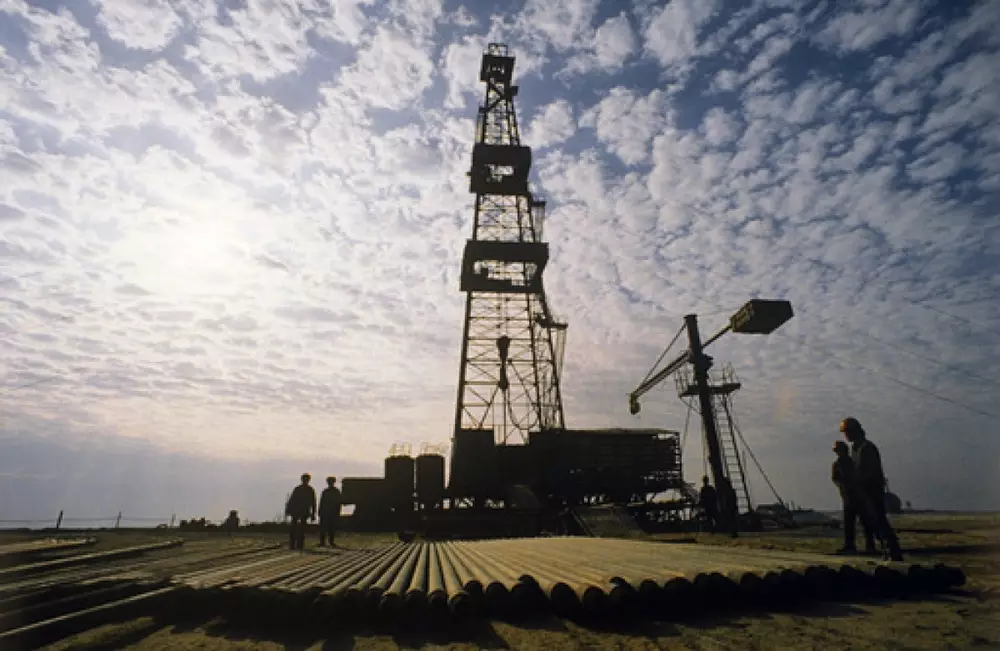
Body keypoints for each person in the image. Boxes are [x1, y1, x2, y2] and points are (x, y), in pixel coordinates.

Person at [841, 418, 904, 561]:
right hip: (862, 493)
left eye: (847, 432)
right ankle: (888, 551)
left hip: (871, 492)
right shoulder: (856, 449)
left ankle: (893, 552)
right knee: (873, 523)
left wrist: (857, 482)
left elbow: (867, 472)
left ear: (854, 431)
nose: (846, 435)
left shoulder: (867, 448)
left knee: (879, 521)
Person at [832, 441, 876, 555]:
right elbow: (835, 479)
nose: (837, 453)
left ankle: (870, 545)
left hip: (858, 496)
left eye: (838, 450)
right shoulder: (837, 464)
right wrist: (843, 483)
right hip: (847, 497)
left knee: (865, 521)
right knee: (849, 523)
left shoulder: (853, 462)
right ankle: (850, 545)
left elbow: (861, 475)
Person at [285, 473, 316, 550]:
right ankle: (293, 544)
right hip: (296, 511)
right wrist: (288, 510)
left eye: (306, 479)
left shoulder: (310, 490)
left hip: (304, 511)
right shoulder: (298, 489)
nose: (305, 481)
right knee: (294, 528)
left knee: (301, 529)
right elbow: (292, 500)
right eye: (304, 479)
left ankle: (299, 544)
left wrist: (313, 514)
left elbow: (313, 503)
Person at [319, 476, 343, 547]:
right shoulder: (325, 491)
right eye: (329, 481)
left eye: (331, 481)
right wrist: (320, 511)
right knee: (323, 528)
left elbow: (339, 503)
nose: (330, 483)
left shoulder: (336, 492)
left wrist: (338, 512)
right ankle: (322, 542)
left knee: (331, 528)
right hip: (325, 512)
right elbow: (322, 502)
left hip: (332, 512)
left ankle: (331, 541)